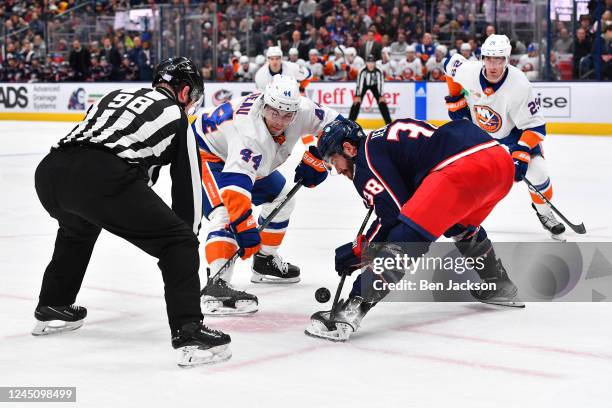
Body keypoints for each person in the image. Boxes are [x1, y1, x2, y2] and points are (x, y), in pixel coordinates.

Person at [32, 57, 231, 367]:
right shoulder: (178, 118)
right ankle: (189, 331)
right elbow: (187, 192)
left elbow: (132, 165)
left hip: (50, 172)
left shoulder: (116, 96)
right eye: (192, 96)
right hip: (100, 176)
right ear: (183, 92)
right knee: (178, 242)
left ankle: (53, 304)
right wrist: (182, 248)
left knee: (78, 228)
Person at [305, 118, 523, 342]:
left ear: (348, 149)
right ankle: (499, 283)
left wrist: (360, 250)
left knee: (406, 237)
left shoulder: (364, 160)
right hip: (499, 162)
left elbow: (392, 215)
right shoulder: (383, 143)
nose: (338, 170)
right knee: (458, 225)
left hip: (460, 167)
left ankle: (348, 312)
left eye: (334, 161)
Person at [191, 75, 341, 316]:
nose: (280, 121)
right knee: (226, 216)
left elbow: (339, 127)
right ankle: (217, 286)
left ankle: (264, 261)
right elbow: (235, 188)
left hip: (241, 157)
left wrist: (323, 158)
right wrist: (245, 226)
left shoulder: (302, 109)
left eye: (286, 115)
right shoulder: (250, 133)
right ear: (263, 104)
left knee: (283, 197)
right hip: (206, 152)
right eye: (274, 113)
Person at [443, 34, 566, 240]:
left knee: (538, 173)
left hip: (513, 134)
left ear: (507, 60)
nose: (493, 65)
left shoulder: (520, 84)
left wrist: (521, 153)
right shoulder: (469, 71)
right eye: (489, 58)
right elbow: (449, 64)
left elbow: (536, 127)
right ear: (482, 58)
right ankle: (460, 218)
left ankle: (545, 213)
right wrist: (455, 97)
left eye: (499, 59)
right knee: (464, 173)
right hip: (479, 134)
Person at [348, 55, 392, 125]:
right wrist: (358, 95)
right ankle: (350, 123)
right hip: (364, 85)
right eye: (369, 62)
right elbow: (360, 83)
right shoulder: (362, 70)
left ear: (375, 63)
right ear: (366, 63)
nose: (370, 64)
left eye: (372, 62)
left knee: (382, 102)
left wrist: (381, 95)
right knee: (356, 102)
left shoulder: (379, 70)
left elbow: (380, 83)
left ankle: (389, 123)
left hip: (375, 85)